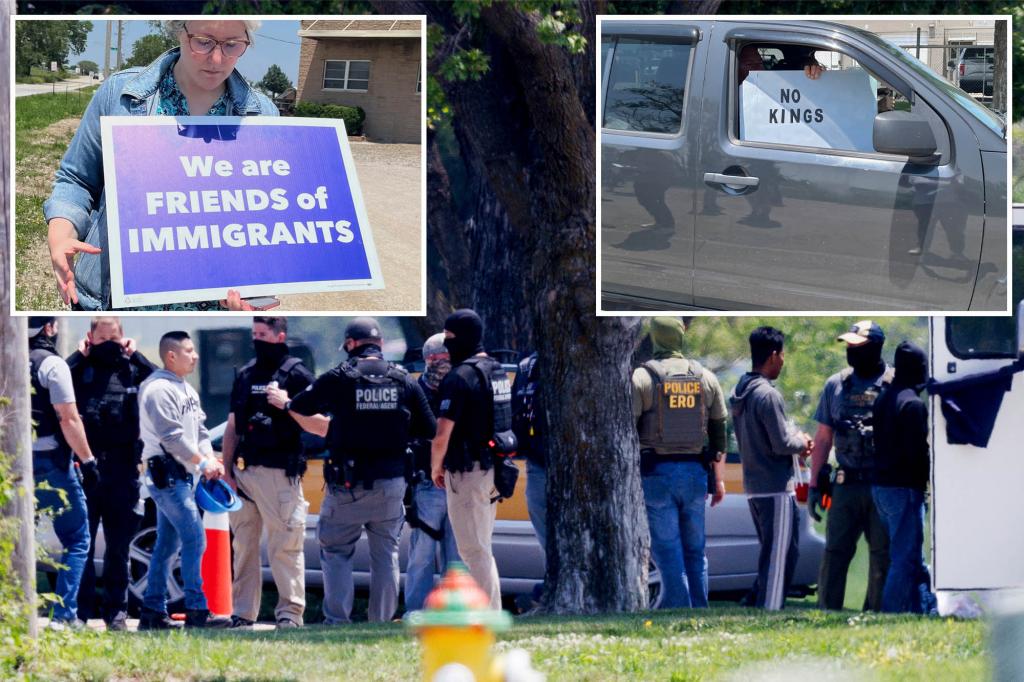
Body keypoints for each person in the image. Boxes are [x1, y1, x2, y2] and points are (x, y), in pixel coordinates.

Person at [43, 20, 279, 311]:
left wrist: (252, 286)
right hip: (114, 304)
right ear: (179, 31)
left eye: (232, 45)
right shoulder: (120, 94)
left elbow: (263, 214)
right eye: (203, 41)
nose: (217, 59)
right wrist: (60, 235)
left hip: (207, 309)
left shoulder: (264, 115)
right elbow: (76, 180)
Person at [267, 318, 436, 623]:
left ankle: (337, 621)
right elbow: (429, 428)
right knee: (386, 554)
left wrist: (287, 403)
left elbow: (302, 406)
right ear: (380, 344)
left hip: (347, 486)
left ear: (350, 344)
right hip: (391, 483)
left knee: (336, 552)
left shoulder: (339, 377)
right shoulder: (403, 379)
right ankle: (381, 622)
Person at [221, 317, 314, 629]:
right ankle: (242, 614)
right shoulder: (246, 374)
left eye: (263, 334)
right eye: (254, 334)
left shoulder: (297, 374)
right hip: (244, 473)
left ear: (280, 336)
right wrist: (227, 471)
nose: (257, 340)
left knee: (285, 547)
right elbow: (233, 426)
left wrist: (288, 405)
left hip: (280, 474)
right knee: (243, 547)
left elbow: (321, 424)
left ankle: (290, 615)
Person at [67, 317, 157, 631]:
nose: (108, 344)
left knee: (119, 548)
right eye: (101, 338)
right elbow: (53, 382)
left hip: (123, 470)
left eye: (113, 338)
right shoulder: (79, 369)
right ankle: (80, 612)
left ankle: (116, 612)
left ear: (123, 337)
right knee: (83, 544)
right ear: (90, 337)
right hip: (86, 470)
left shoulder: (131, 368)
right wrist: (78, 356)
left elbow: (161, 382)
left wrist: (136, 355)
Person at [631, 317, 727, 609]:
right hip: (696, 473)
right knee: (695, 550)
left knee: (667, 549)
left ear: (655, 337)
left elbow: (628, 427)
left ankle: (679, 608)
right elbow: (719, 430)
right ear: (681, 335)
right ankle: (699, 608)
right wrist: (717, 477)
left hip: (656, 474)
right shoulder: (705, 376)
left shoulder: (642, 377)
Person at [138, 331, 229, 630]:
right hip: (167, 477)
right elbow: (171, 438)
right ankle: (197, 609)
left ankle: (152, 611)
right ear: (171, 356)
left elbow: (200, 431)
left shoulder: (185, 388)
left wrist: (209, 458)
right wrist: (202, 462)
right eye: (189, 351)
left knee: (167, 545)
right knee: (195, 538)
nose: (196, 355)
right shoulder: (158, 389)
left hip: (183, 478)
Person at [808, 320, 891, 612]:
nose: (851, 352)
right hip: (845, 485)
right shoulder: (836, 384)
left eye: (858, 346)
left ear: (875, 348)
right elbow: (823, 438)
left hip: (883, 486)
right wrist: (815, 484)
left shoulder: (895, 382)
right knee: (835, 551)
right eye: (849, 346)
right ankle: (827, 612)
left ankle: (876, 614)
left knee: (882, 554)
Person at [430, 309, 510, 610]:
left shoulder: (459, 376)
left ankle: (487, 616)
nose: (446, 345)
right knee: (481, 548)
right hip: (493, 469)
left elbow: (442, 434)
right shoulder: (496, 370)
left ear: (463, 337)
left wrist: (435, 468)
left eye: (449, 338)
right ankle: (489, 611)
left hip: (468, 472)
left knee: (473, 551)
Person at [729, 326, 813, 610]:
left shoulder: (741, 390)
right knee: (779, 556)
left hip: (754, 485)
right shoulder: (767, 395)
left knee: (780, 551)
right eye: (783, 355)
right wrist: (802, 442)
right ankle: (769, 612)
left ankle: (756, 603)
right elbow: (781, 443)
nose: (783, 361)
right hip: (775, 487)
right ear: (774, 355)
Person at [28, 317, 98, 630]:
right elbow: (68, 419)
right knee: (77, 538)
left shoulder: (8, 359)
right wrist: (89, 460)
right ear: (49, 328)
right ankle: (64, 616)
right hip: (51, 464)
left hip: (13, 463)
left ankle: (12, 612)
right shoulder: (52, 365)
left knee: (16, 538)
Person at [871, 341, 932, 614]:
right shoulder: (913, 404)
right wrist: (928, 483)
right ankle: (892, 614)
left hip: (881, 488)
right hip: (903, 488)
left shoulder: (883, 398)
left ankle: (924, 610)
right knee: (904, 558)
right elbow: (917, 453)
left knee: (910, 555)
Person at [403, 333, 462, 612]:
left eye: (447, 358)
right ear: (428, 359)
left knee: (457, 558)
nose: (442, 364)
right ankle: (417, 612)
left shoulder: (461, 386)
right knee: (421, 555)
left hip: (458, 480)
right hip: (426, 484)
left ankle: (454, 614)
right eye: (438, 358)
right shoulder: (415, 391)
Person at [511, 351, 547, 607]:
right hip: (537, 463)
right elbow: (515, 412)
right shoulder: (527, 367)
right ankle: (553, 580)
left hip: (576, 465)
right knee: (544, 532)